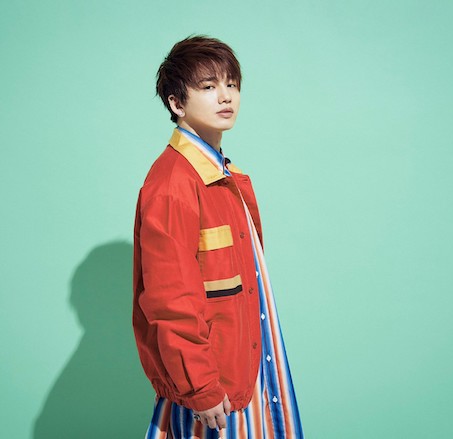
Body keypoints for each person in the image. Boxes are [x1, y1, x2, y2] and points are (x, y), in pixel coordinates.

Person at [133, 35, 303, 438]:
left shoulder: (224, 176)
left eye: (232, 84)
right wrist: (200, 387)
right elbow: (171, 298)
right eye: (208, 87)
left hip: (250, 371)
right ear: (177, 103)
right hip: (216, 390)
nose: (225, 96)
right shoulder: (174, 183)